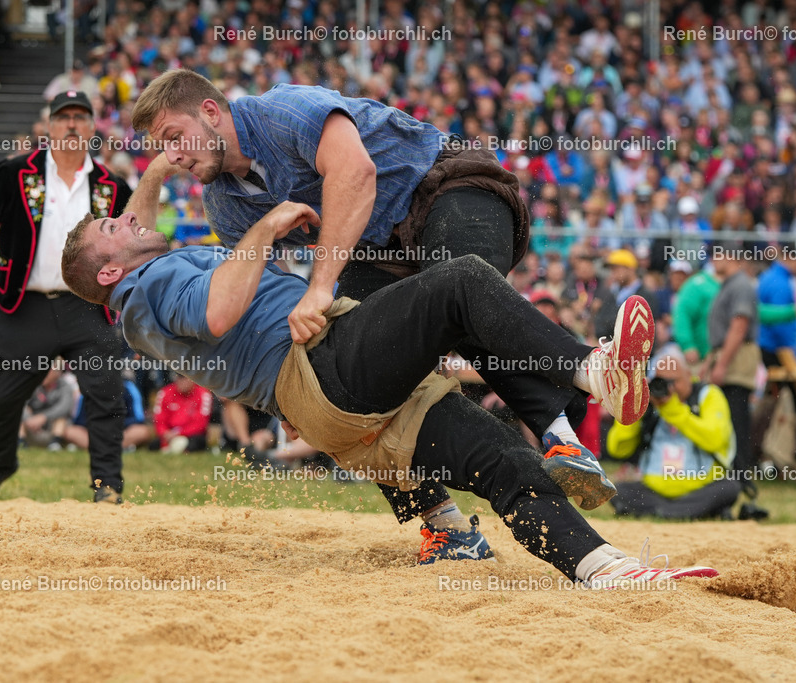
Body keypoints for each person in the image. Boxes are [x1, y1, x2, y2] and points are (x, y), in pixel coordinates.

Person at [59, 204, 718, 584]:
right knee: (459, 281)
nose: (129, 215)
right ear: (111, 268)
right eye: (113, 225)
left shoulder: (134, 305)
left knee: (505, 462)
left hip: (325, 404)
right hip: (322, 366)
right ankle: (595, 374)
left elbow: (149, 263)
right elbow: (218, 312)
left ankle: (603, 570)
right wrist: (267, 225)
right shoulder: (154, 283)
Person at [126, 69, 593, 543]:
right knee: (347, 380)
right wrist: (291, 389)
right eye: (163, 148)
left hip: (445, 188)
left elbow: (355, 174)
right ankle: (446, 527)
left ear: (210, 111)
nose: (173, 154)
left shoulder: (281, 111)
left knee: (454, 290)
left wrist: (321, 287)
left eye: (174, 137)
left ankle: (569, 413)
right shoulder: (223, 206)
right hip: (374, 254)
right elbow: (254, 296)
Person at [0, 91, 130, 503]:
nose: (71, 124)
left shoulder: (113, 187)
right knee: (4, 398)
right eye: (63, 117)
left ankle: (107, 485)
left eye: (80, 117)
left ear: (92, 128)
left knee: (105, 394)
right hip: (25, 305)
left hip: (88, 306)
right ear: (49, 127)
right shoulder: (12, 173)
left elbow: (135, 246)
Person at [607, 346, 741, 519]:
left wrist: (673, 410)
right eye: (662, 382)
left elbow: (715, 440)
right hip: (654, 490)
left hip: (700, 488)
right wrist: (633, 410)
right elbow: (616, 449)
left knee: (729, 488)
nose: (669, 389)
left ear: (688, 376)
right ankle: (684, 511)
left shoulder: (708, 395)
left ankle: (664, 511)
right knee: (618, 490)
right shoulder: (648, 404)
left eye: (674, 382)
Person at [707, 243, 760, 476]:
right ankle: (733, 469)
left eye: (718, 255)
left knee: (735, 413)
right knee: (728, 413)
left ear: (731, 258)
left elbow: (739, 327)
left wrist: (722, 364)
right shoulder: (730, 284)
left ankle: (739, 471)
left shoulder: (740, 285)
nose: (714, 260)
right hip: (728, 353)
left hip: (737, 356)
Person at [61, 378, 152, 452]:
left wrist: (115, 425)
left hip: (121, 432)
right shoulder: (89, 389)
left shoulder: (128, 387)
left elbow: (138, 418)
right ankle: (115, 447)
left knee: (142, 431)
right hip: (96, 433)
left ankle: (102, 448)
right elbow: (79, 421)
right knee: (70, 431)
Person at [153, 374, 213, 453]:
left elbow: (200, 424)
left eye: (185, 378)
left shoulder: (203, 394)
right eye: (180, 378)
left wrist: (179, 434)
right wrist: (165, 432)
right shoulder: (165, 392)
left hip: (192, 435)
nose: (182, 382)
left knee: (195, 442)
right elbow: (159, 420)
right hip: (169, 434)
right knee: (153, 445)